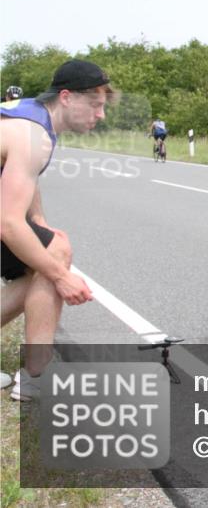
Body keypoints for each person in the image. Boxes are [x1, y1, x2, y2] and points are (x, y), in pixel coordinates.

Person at [1, 59, 113, 400]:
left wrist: (40, 223)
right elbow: (7, 221)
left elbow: (20, 177)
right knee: (54, 257)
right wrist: (62, 276)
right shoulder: (34, 136)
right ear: (66, 97)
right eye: (95, 105)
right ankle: (36, 374)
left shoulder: (25, 114)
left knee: (47, 250)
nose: (101, 115)